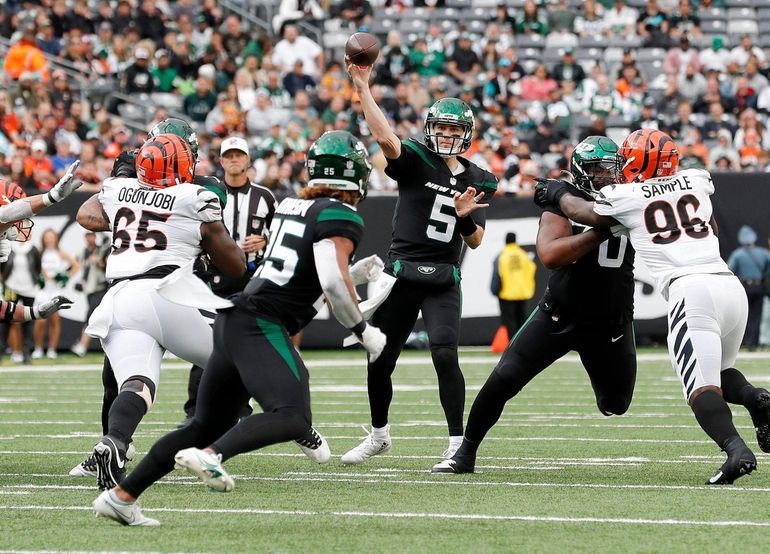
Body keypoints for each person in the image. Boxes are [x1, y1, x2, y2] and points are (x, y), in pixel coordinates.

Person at [92, 131, 387, 526]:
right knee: (293, 416)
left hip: (234, 317)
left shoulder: (290, 206)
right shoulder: (341, 216)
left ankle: (123, 496)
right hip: (258, 325)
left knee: (203, 424)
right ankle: (213, 456)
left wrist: (353, 275)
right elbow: (331, 284)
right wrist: (364, 330)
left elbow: (308, 283)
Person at [534, 129, 770, 484]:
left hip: (690, 290)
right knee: (721, 372)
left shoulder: (625, 195)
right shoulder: (696, 179)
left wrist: (556, 190)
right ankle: (755, 399)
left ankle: (736, 450)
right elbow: (713, 230)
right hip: (727, 283)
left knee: (701, 388)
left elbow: (584, 212)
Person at [433, 136, 638, 474]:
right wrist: (603, 230)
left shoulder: (634, 199)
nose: (605, 176)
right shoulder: (564, 202)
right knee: (504, 378)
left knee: (616, 403)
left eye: (610, 168)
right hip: (559, 315)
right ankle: (465, 452)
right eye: (597, 170)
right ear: (581, 173)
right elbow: (550, 255)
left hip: (611, 322)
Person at [340, 59, 497, 466]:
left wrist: (464, 217)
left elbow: (477, 241)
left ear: (466, 135)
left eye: (453, 129)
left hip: (443, 278)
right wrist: (363, 88)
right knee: (380, 358)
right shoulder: (414, 159)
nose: (445, 135)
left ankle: (457, 444)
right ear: (431, 129)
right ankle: (378, 435)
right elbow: (385, 137)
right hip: (402, 273)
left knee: (445, 355)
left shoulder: (480, 177)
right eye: (440, 128)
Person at [76, 133, 247, 491]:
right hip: (169, 293)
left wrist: (135, 215)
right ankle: (291, 419)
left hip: (121, 298)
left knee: (137, 384)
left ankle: (115, 443)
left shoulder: (118, 188)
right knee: (243, 357)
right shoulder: (195, 195)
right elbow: (235, 267)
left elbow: (88, 213)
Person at [179, 136, 276, 426]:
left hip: (251, 278)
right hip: (213, 277)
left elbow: (282, 232)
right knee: (205, 343)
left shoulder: (265, 196)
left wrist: (265, 239)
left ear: (248, 160)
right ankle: (195, 409)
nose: (234, 160)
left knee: (245, 345)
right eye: (229, 156)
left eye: (239, 155)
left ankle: (240, 408)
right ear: (222, 161)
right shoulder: (206, 192)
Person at [32, 228, 79, 359]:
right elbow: (34, 269)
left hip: (55, 291)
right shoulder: (40, 253)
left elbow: (75, 265)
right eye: (47, 237)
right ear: (43, 239)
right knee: (40, 320)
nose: (49, 239)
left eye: (51, 236)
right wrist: (39, 276)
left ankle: (52, 349)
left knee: (54, 320)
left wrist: (65, 277)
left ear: (56, 238)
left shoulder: (60, 253)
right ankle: (38, 348)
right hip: (42, 291)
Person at [727, 226, 770, 351]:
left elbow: (730, 269)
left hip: (744, 287)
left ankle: (744, 341)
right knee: (757, 316)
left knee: (743, 316)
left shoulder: (738, 254)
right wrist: (763, 276)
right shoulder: (763, 253)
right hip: (759, 286)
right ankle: (754, 343)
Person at [490, 232, 536, 340]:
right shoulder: (523, 255)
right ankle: (523, 342)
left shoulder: (502, 255)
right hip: (522, 293)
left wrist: (495, 290)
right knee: (522, 320)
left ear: (505, 241)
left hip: (507, 294)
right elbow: (531, 269)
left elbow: (497, 274)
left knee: (509, 322)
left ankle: (512, 345)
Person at [70, 230, 109, 357]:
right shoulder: (83, 252)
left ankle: (82, 346)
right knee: (99, 318)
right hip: (89, 290)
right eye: (87, 235)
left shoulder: (102, 250)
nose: (89, 238)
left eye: (92, 235)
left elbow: (106, 266)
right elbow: (76, 266)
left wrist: (99, 263)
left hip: (101, 288)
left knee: (91, 316)